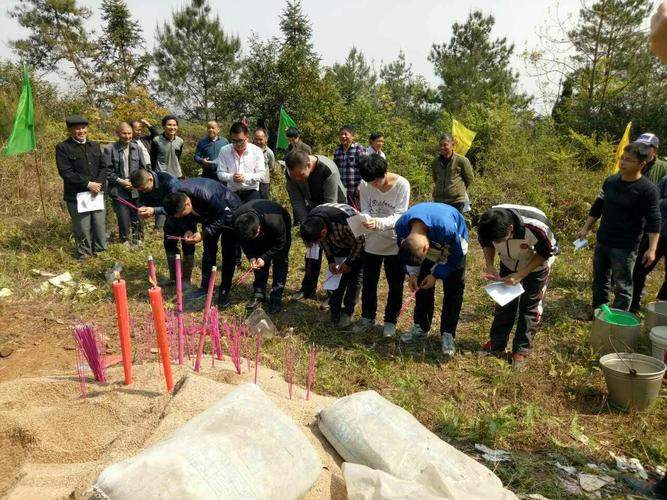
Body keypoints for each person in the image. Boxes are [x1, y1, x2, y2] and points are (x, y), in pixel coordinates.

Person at [577, 142, 660, 314]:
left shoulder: (647, 189)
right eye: (622, 158)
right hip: (604, 240)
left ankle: (617, 320)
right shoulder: (611, 181)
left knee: (622, 285)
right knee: (600, 280)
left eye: (628, 160)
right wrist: (586, 228)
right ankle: (599, 313)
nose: (622, 163)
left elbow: (654, 220)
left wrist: (652, 249)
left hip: (625, 246)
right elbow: (598, 206)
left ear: (641, 164)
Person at [477, 205, 559, 367]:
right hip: (508, 262)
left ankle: (521, 350)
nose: (497, 243)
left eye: (501, 239)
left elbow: (547, 251)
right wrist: (490, 265)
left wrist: (521, 274)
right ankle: (497, 344)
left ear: (511, 228)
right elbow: (486, 243)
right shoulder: (487, 222)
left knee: (530, 306)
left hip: (536, 266)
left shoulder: (536, 227)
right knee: (504, 303)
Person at [395, 202, 468, 356]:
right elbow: (405, 253)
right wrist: (413, 274)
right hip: (429, 242)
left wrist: (436, 274)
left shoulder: (447, 229)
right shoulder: (401, 227)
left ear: (426, 249)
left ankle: (448, 332)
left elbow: (457, 255)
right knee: (422, 286)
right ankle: (421, 326)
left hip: (454, 248)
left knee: (453, 291)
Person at [162, 178, 241, 308]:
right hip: (208, 214)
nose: (181, 216)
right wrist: (187, 230)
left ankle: (224, 290)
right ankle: (206, 286)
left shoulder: (206, 195)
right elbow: (182, 217)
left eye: (182, 214)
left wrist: (203, 233)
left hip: (229, 212)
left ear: (187, 203)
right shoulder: (176, 198)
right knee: (209, 251)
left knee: (228, 252)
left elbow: (221, 217)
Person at [356, 154, 410, 337]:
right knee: (369, 282)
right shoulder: (365, 184)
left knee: (395, 285)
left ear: (385, 171)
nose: (374, 186)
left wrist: (377, 223)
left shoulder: (402, 185)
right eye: (370, 183)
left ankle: (390, 321)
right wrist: (365, 219)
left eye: (377, 181)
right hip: (371, 242)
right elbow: (364, 208)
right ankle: (367, 316)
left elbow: (400, 216)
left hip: (394, 242)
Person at [284, 149, 346, 300]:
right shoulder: (291, 173)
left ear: (309, 164)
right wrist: (307, 225)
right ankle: (308, 287)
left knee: (335, 250)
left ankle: (333, 293)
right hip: (312, 208)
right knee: (312, 248)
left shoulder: (328, 170)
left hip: (335, 211)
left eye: (300, 175)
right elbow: (297, 201)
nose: (298, 180)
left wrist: (320, 227)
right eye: (294, 176)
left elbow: (330, 204)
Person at [300, 203, 364, 327]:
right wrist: (331, 261)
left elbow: (361, 241)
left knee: (354, 280)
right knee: (337, 278)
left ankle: (348, 311)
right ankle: (334, 310)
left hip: (358, 244)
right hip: (337, 245)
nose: (317, 243)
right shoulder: (312, 221)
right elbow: (324, 243)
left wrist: (350, 262)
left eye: (317, 241)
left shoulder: (347, 221)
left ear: (323, 232)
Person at [131, 168, 196, 288]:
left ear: (150, 179)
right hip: (170, 219)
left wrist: (154, 210)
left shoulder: (169, 182)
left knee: (188, 245)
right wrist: (142, 207)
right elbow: (142, 200)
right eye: (141, 190)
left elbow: (176, 207)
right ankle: (174, 278)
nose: (144, 192)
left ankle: (186, 279)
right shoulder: (143, 184)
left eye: (145, 189)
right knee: (169, 244)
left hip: (184, 216)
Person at [55, 115, 108, 261]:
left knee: (99, 224)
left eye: (83, 128)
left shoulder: (95, 146)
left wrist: (97, 184)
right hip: (77, 195)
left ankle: (101, 251)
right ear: (70, 130)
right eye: (77, 128)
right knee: (82, 226)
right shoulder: (63, 148)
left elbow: (104, 167)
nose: (81, 131)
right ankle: (85, 254)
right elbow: (65, 172)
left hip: (97, 193)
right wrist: (88, 184)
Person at [233, 199, 291, 314]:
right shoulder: (238, 221)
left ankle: (276, 298)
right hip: (259, 227)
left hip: (280, 227)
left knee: (280, 261)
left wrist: (265, 257)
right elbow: (244, 243)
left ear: (258, 228)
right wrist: (252, 257)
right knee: (258, 264)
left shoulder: (274, 221)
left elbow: (281, 243)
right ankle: (259, 294)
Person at [631, 133, 667, 312]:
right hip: (651, 228)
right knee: (639, 268)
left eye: (647, 147)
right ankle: (633, 304)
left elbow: (655, 201)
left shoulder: (663, 169)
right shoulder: (635, 163)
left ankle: (661, 307)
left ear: (655, 149)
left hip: (657, 227)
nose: (643, 150)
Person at [105, 123, 147, 246]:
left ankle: (138, 240)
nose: (127, 136)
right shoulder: (110, 149)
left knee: (138, 215)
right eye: (124, 133)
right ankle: (124, 241)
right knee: (123, 218)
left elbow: (142, 168)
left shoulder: (137, 148)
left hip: (135, 188)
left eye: (129, 133)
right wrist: (121, 181)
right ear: (118, 133)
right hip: (118, 190)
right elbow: (107, 171)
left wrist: (135, 183)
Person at [217, 121, 266, 203]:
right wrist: (231, 177)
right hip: (232, 192)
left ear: (247, 137)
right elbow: (220, 173)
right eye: (234, 141)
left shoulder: (256, 151)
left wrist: (245, 177)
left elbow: (262, 174)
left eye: (240, 141)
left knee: (250, 214)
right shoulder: (224, 151)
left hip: (251, 191)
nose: (237, 144)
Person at [431, 134, 474, 213]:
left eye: (445, 145)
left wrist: (457, 190)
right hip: (439, 201)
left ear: (452, 145)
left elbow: (469, 179)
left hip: (456, 201)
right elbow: (435, 178)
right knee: (440, 224)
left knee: (455, 224)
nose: (442, 147)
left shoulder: (462, 161)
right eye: (440, 145)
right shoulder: (435, 162)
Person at [333, 125, 368, 207]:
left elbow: (367, 169)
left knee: (357, 214)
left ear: (352, 136)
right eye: (341, 134)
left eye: (345, 134)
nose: (343, 136)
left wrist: (361, 186)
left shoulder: (359, 149)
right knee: (343, 214)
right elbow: (335, 169)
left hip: (356, 191)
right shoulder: (337, 151)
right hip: (341, 191)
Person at [254, 127, 275, 199]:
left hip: (264, 182)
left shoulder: (269, 153)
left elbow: (271, 167)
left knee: (264, 201)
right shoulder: (250, 150)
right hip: (252, 181)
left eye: (260, 139)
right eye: (256, 139)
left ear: (266, 139)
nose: (258, 141)